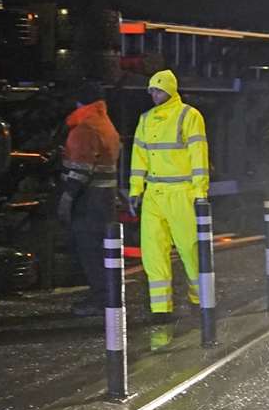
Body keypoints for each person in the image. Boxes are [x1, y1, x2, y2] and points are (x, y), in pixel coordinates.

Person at [128, 69, 209, 331]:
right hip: (154, 194)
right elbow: (138, 158)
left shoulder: (189, 115)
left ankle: (200, 299)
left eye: (158, 89)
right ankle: (161, 308)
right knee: (153, 253)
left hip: (181, 193)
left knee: (190, 249)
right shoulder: (145, 119)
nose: (153, 94)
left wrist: (200, 193)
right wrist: (135, 190)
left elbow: (199, 156)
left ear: (171, 90)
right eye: (151, 90)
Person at [58, 82, 123, 317]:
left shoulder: (84, 129)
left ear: (79, 102)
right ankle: (108, 295)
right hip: (104, 200)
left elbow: (80, 170)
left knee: (90, 252)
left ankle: (99, 299)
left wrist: (67, 197)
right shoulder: (105, 124)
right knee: (102, 251)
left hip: (88, 202)